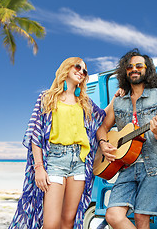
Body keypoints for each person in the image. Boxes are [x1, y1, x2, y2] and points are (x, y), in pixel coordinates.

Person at [9, 57, 106, 229]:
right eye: (78, 67)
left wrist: (116, 97)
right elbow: (35, 134)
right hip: (54, 161)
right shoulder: (47, 98)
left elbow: (102, 120)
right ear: (66, 68)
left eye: (85, 70)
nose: (82, 72)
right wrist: (39, 168)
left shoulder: (85, 103)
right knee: (51, 223)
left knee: (68, 221)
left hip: (79, 163)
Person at [96, 48, 157, 229]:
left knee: (141, 218)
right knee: (113, 215)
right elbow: (102, 127)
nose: (134, 69)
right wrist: (104, 143)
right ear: (124, 71)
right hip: (125, 165)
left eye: (139, 66)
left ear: (147, 69)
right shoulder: (118, 100)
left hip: (153, 165)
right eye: (129, 67)